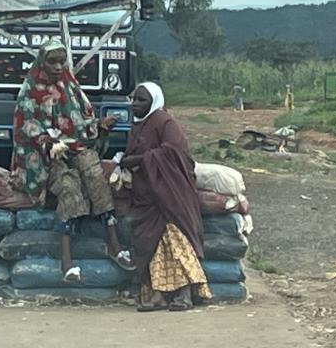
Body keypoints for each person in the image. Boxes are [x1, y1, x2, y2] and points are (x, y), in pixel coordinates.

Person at [12, 39, 134, 283]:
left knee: (96, 178)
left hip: (75, 147)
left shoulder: (70, 86)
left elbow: (82, 120)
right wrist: (46, 141)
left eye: (61, 61)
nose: (58, 67)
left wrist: (99, 125)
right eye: (52, 62)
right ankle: (66, 262)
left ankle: (114, 245)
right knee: (69, 187)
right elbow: (25, 127)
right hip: (47, 155)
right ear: (41, 63)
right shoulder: (30, 91)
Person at [120, 82, 210, 312]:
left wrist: (141, 160)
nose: (135, 104)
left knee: (177, 242)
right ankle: (158, 295)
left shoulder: (165, 122)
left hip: (171, 193)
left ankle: (185, 293)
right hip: (148, 197)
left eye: (141, 100)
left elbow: (175, 153)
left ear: (154, 102)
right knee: (153, 247)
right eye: (134, 99)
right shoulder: (137, 126)